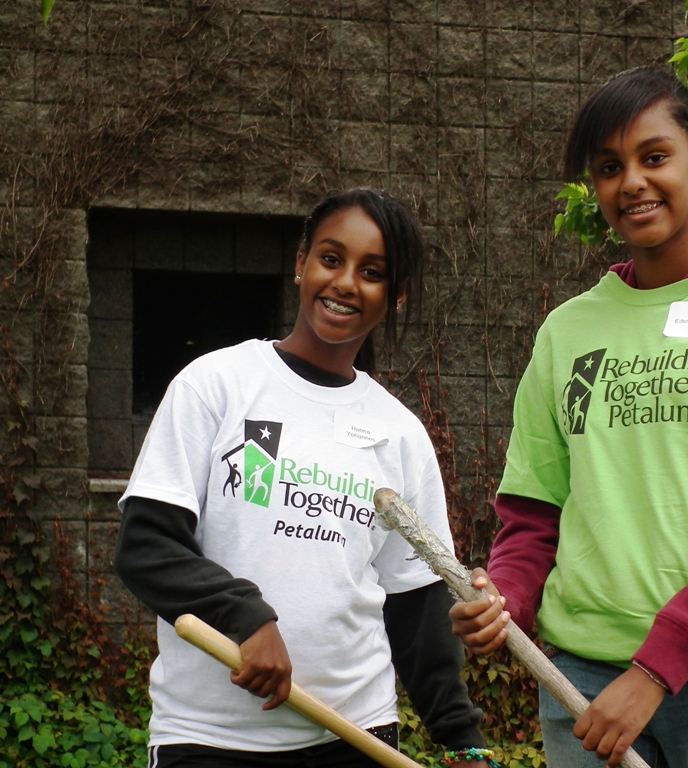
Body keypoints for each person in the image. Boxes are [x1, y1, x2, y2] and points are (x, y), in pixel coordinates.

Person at [449, 67, 688, 768]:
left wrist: (658, 669)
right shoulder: (567, 332)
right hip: (584, 686)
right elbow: (534, 519)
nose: (631, 182)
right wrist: (502, 597)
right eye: (608, 168)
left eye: (653, 157)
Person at [115, 188, 496, 768]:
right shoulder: (218, 386)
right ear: (300, 264)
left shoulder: (399, 433)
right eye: (331, 258)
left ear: (394, 297)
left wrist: (462, 739)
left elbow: (415, 608)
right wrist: (246, 615)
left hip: (355, 738)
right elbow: (146, 548)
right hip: (211, 740)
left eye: (372, 272)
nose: (346, 282)